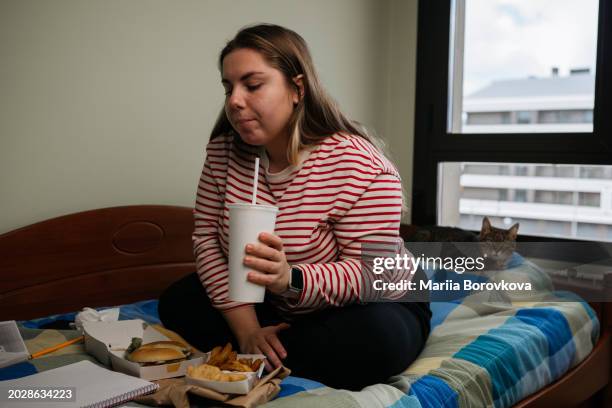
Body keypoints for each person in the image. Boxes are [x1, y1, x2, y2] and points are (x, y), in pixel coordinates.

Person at [158, 23, 431, 391]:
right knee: (177, 302)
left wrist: (291, 278)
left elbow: (370, 272)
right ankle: (269, 347)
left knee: (376, 342)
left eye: (252, 85)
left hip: (372, 296)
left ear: (297, 89)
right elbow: (207, 239)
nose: (235, 101)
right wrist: (248, 330)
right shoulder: (224, 153)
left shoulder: (359, 165)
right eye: (228, 87)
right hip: (276, 302)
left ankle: (278, 351)